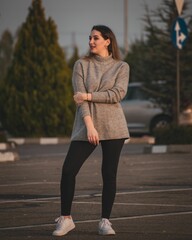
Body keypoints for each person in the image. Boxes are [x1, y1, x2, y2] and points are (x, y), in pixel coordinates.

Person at [52, 25, 130, 237]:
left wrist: (88, 95)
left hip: (114, 126)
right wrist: (89, 126)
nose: (91, 41)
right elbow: (79, 99)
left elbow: (116, 94)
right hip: (87, 125)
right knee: (69, 170)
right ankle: (66, 219)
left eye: (96, 38)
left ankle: (105, 221)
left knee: (109, 173)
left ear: (107, 41)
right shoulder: (81, 64)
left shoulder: (121, 67)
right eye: (89, 38)